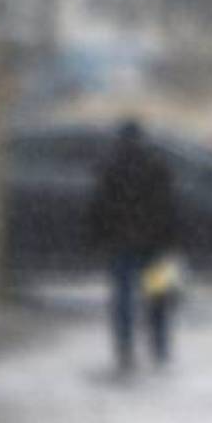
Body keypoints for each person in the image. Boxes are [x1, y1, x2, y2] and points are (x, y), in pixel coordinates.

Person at [85, 120, 183, 374]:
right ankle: (159, 348)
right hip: (156, 245)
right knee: (158, 298)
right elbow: (171, 207)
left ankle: (125, 349)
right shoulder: (158, 166)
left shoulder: (111, 167)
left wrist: (97, 239)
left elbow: (99, 207)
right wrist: (172, 241)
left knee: (123, 298)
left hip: (122, 243)